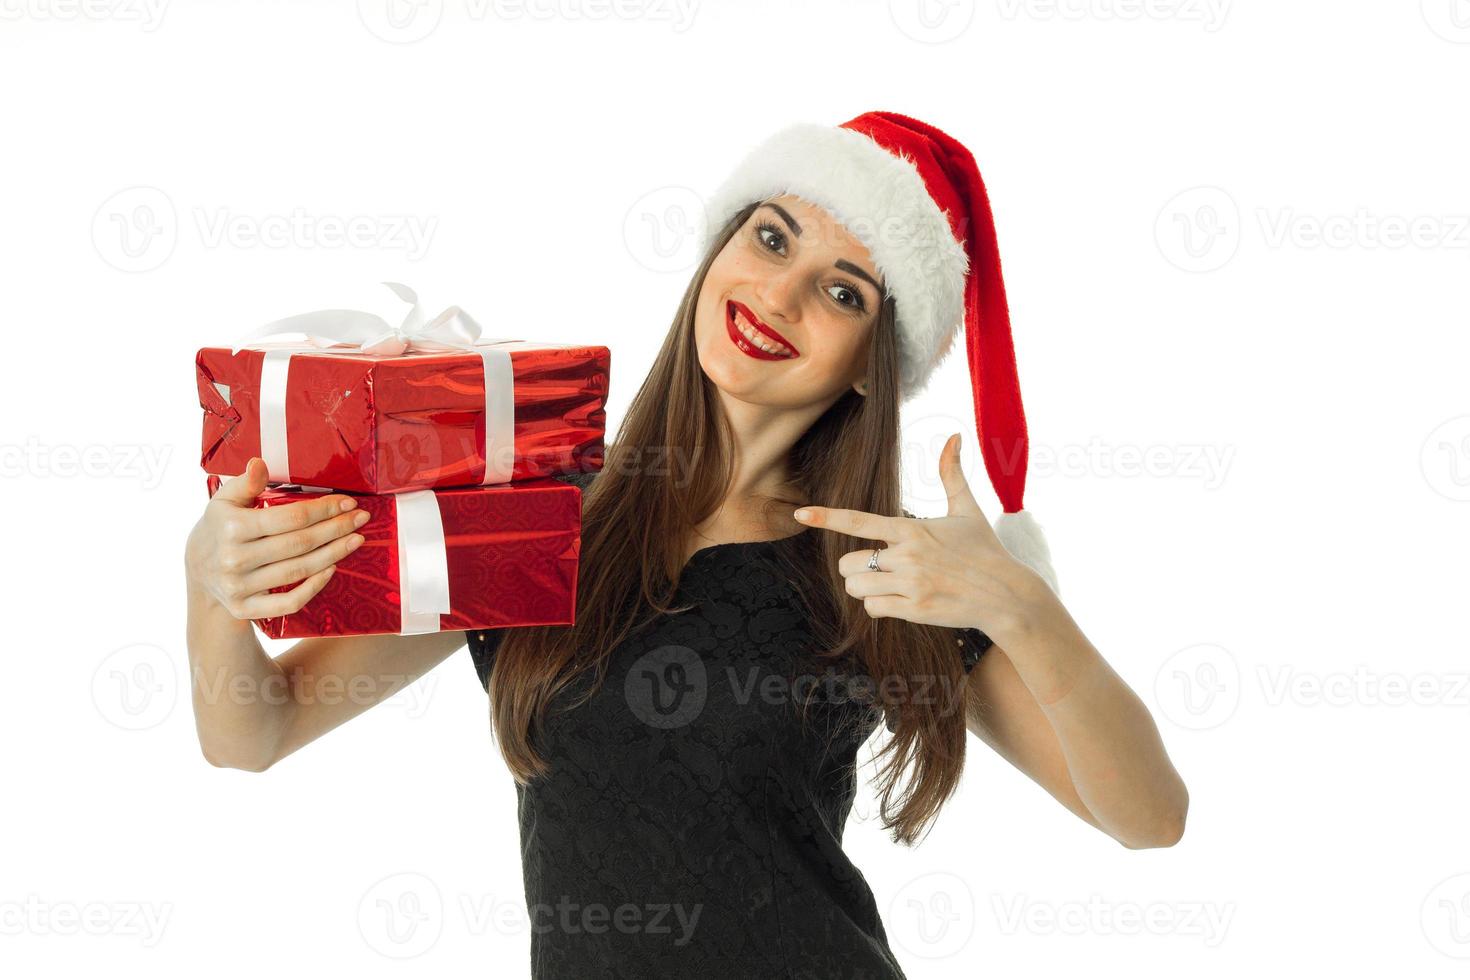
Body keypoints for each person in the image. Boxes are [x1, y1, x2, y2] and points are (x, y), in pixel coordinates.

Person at [184, 111, 1188, 979]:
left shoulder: (890, 569)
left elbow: (1149, 814)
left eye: (845, 292)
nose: (783, 296)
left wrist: (1021, 604)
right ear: (717, 252)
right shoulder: (533, 513)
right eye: (770, 237)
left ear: (872, 369)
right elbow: (254, 732)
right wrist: (212, 584)